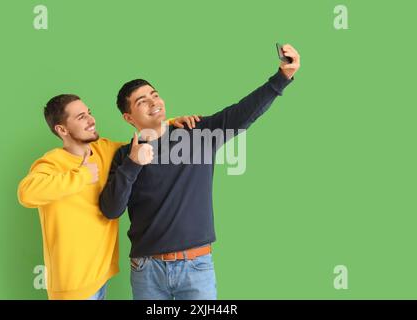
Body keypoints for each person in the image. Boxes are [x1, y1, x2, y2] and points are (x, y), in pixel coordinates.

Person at [99, 44, 301, 300]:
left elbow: (242, 113)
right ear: (129, 118)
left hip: (195, 267)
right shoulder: (124, 156)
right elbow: (111, 210)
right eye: (142, 102)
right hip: (146, 271)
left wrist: (282, 77)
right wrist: (133, 164)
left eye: (155, 95)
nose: (154, 103)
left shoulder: (197, 133)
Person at [17, 94, 198, 299]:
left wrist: (167, 123)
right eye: (81, 117)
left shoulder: (104, 149)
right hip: (73, 288)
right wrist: (82, 176)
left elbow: (138, 147)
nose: (91, 120)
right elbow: (26, 193)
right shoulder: (52, 163)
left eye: (89, 113)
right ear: (62, 129)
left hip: (101, 278)